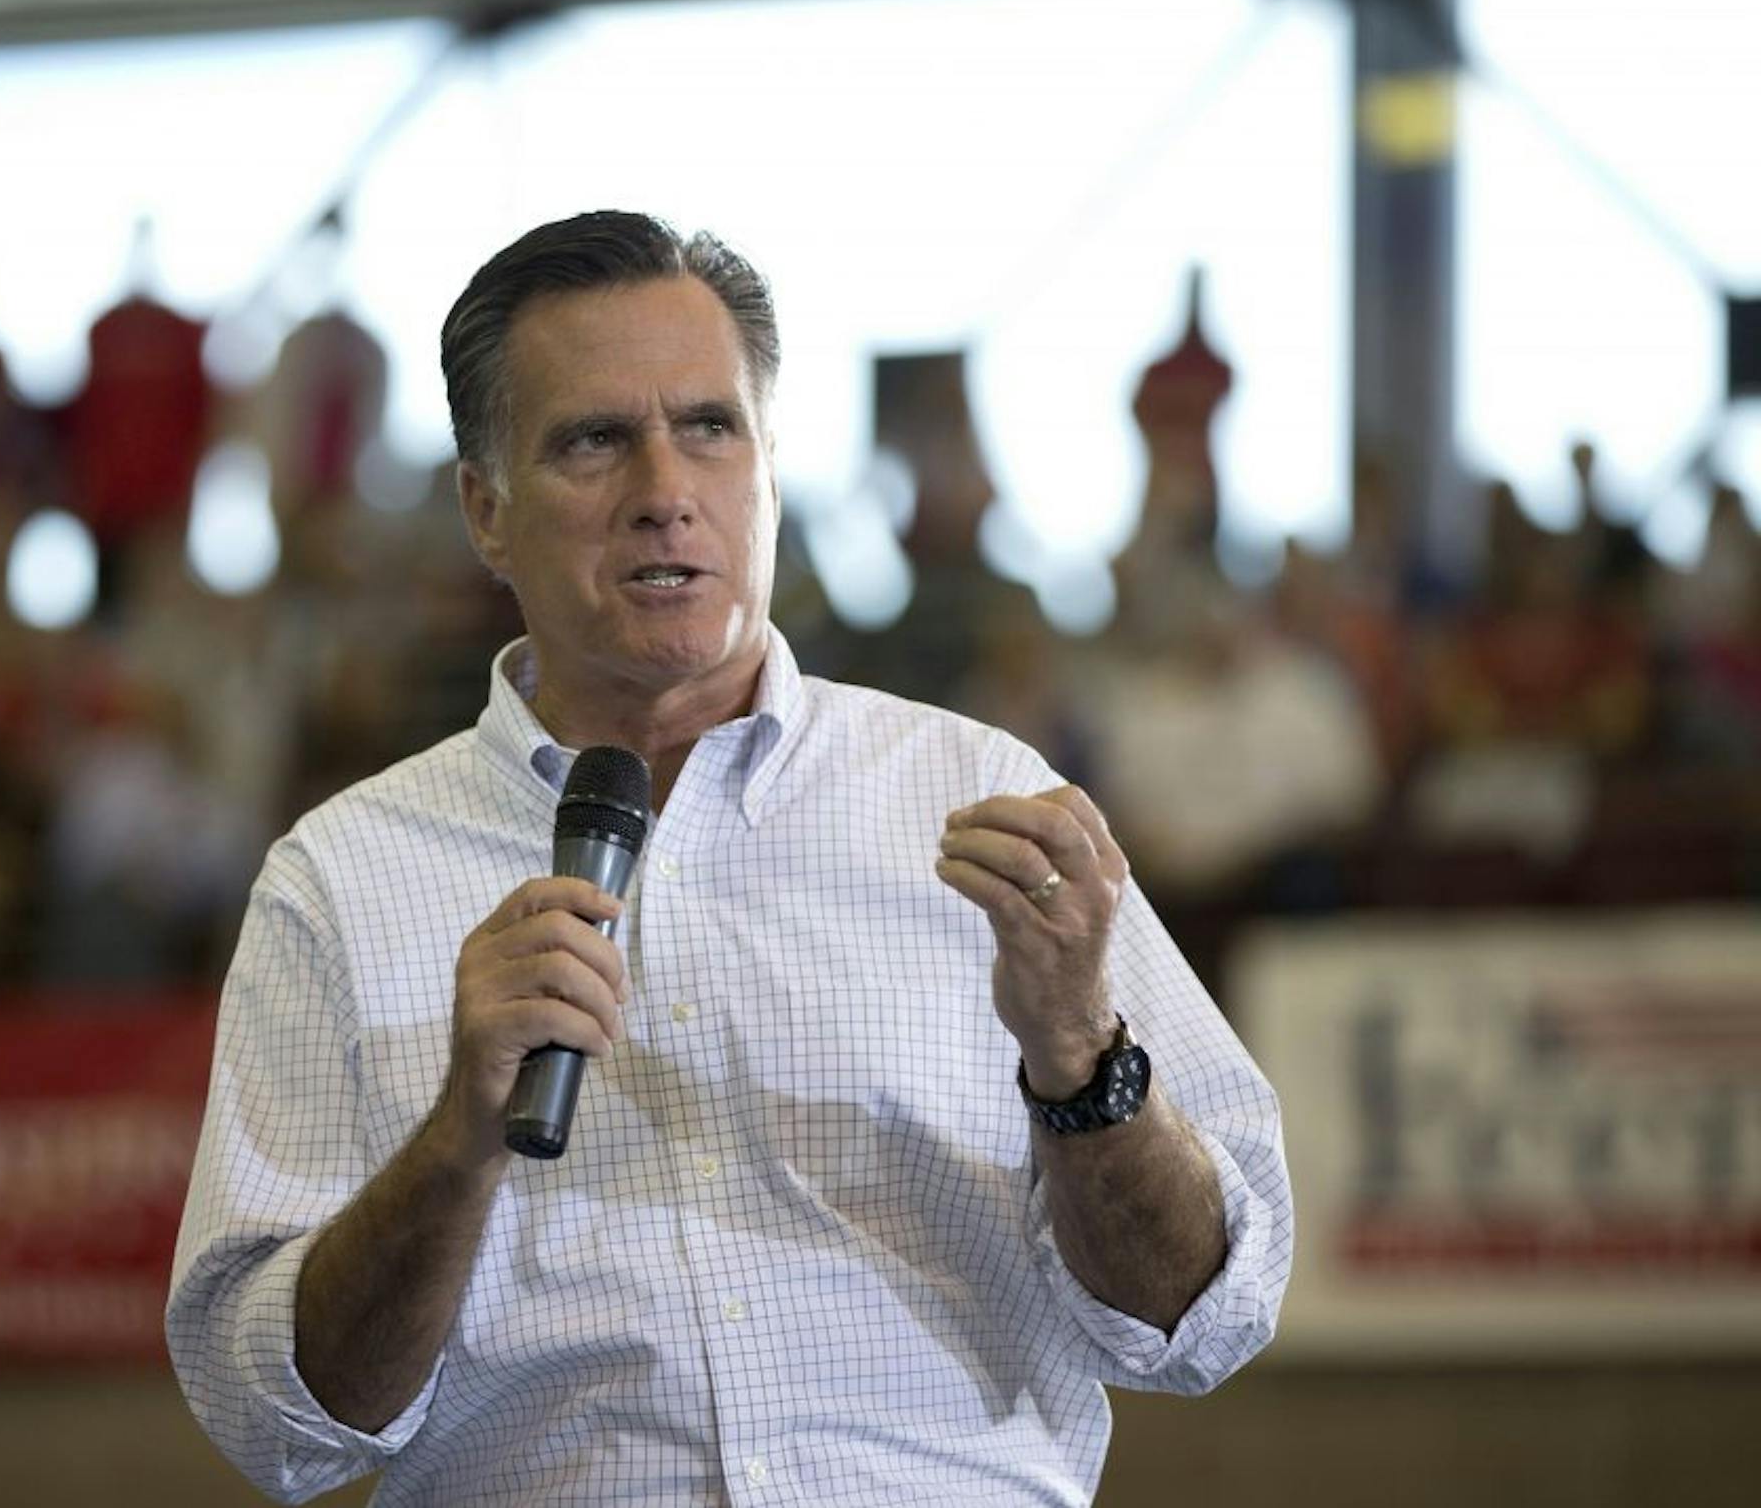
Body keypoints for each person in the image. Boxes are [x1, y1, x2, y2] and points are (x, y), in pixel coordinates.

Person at [167, 212, 1291, 1507]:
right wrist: (454, 1145)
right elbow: (282, 1424)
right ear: (485, 510)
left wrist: (1085, 1058)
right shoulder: (344, 880)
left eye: (710, 426)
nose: (665, 488)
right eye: (593, 439)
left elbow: (1210, 1311)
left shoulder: (985, 804)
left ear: (766, 468)